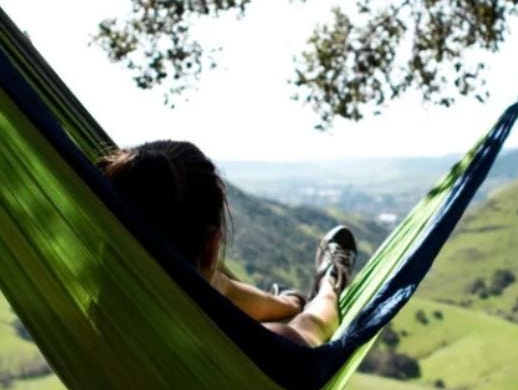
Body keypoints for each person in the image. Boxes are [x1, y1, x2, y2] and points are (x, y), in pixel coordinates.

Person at [97, 140, 356, 347]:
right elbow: (318, 323)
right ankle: (330, 278)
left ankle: (289, 301)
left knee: (207, 286)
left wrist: (292, 303)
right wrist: (327, 290)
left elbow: (219, 288)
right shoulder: (267, 351)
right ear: (212, 246)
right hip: (228, 366)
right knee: (203, 286)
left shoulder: (86, 317)